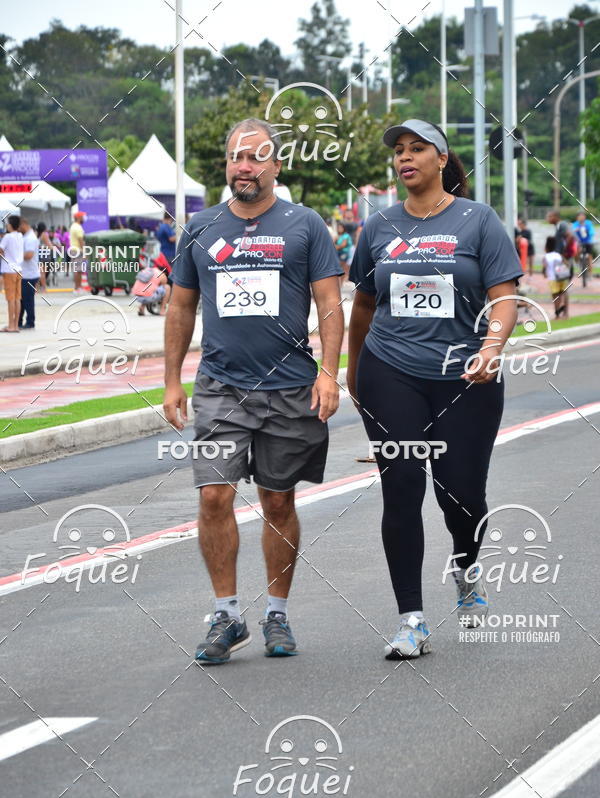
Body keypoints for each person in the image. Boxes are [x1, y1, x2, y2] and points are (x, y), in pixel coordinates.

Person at [163, 117, 344, 664]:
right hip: (221, 387)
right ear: (227, 165)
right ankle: (226, 613)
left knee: (278, 500)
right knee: (214, 494)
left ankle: (276, 615)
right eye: (236, 157)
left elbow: (330, 305)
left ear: (275, 166)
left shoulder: (305, 225)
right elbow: (180, 306)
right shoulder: (200, 226)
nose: (245, 166)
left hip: (291, 388)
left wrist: (329, 372)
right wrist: (171, 380)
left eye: (256, 157)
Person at [347, 119, 522, 659]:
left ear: (442, 159)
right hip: (391, 371)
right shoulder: (377, 228)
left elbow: (504, 297)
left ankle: (467, 570)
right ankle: (412, 619)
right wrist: (354, 375)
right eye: (399, 151)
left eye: (417, 148)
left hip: (465, 377)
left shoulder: (478, 220)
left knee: (461, 494)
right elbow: (363, 305)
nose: (405, 157)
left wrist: (491, 349)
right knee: (401, 484)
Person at [0, 215, 24, 332]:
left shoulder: (8, 237)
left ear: (10, 225)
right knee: (17, 298)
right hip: (18, 269)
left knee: (10, 299)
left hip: (9, 270)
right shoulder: (20, 236)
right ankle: (15, 325)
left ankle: (10, 325)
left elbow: (1, 249)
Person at [18, 218, 39, 329]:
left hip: (29, 275)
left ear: (24, 224)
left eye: (19, 227)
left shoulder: (30, 238)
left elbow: (29, 255)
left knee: (27, 300)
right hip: (25, 274)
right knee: (22, 300)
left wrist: (15, 255)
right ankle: (19, 322)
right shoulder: (26, 236)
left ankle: (30, 322)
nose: (18, 229)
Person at [543, 235, 570, 318]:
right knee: (564, 294)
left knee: (556, 297)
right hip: (562, 277)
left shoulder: (546, 257)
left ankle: (557, 315)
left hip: (553, 279)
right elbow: (567, 264)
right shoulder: (558, 255)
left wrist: (545, 274)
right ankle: (566, 314)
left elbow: (544, 269)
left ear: (546, 246)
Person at [572, 211, 595, 276]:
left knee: (590, 256)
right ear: (577, 218)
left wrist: (590, 233)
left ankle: (590, 272)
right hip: (579, 242)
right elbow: (573, 232)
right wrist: (575, 230)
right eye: (580, 217)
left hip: (588, 241)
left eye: (583, 217)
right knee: (576, 253)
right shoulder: (575, 224)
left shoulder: (588, 223)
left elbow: (592, 231)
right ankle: (578, 266)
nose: (582, 218)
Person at [69, 211, 86, 293]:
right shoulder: (78, 227)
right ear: (79, 218)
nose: (84, 218)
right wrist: (85, 251)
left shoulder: (73, 226)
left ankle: (78, 287)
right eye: (83, 217)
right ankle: (77, 288)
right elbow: (81, 240)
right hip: (78, 250)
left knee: (77, 269)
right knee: (78, 270)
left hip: (73, 250)